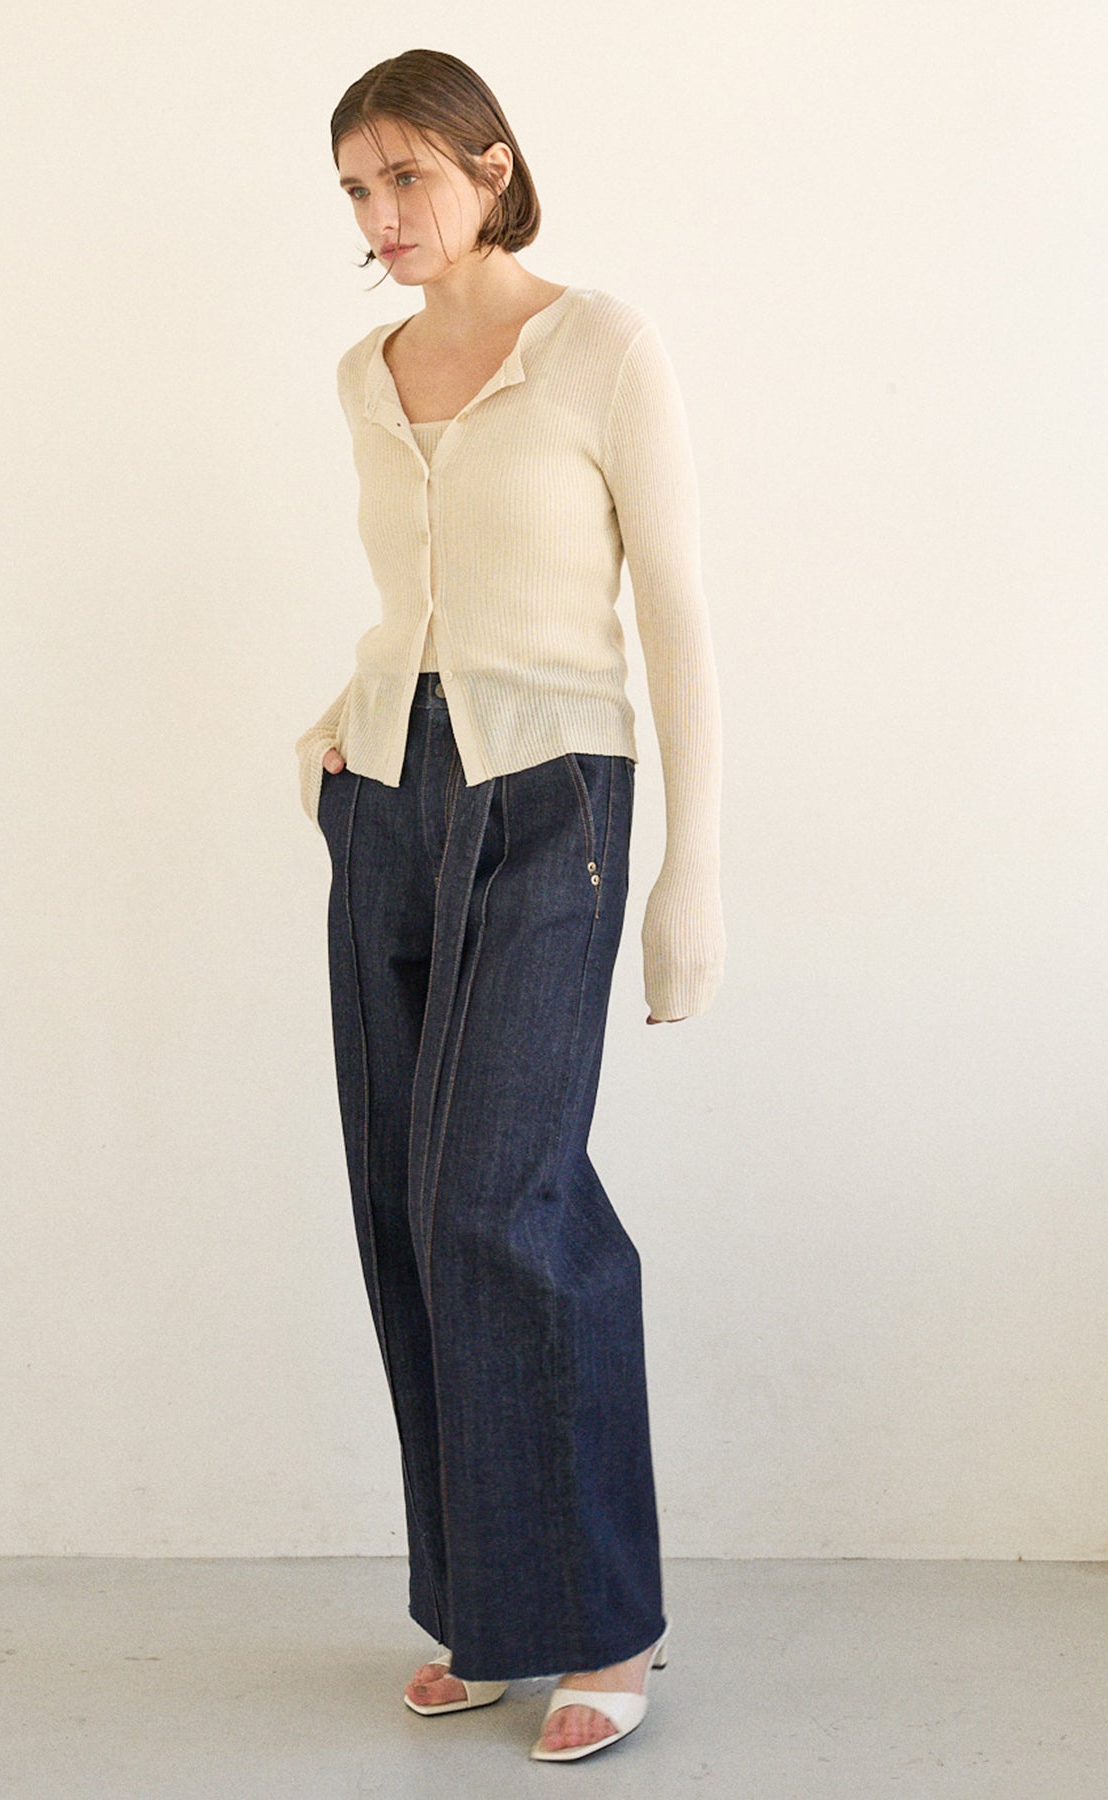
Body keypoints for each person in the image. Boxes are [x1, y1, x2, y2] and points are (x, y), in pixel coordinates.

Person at [296, 49, 725, 1763]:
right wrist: (333, 729)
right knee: (409, 1204)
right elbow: (412, 600)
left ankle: (606, 1618)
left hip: (557, 796)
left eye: (405, 176)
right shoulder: (365, 371)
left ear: (491, 167)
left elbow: (674, 608)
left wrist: (695, 868)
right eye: (355, 188)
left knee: (503, 1196)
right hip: (388, 796)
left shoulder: (602, 346)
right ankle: (491, 1608)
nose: (380, 215)